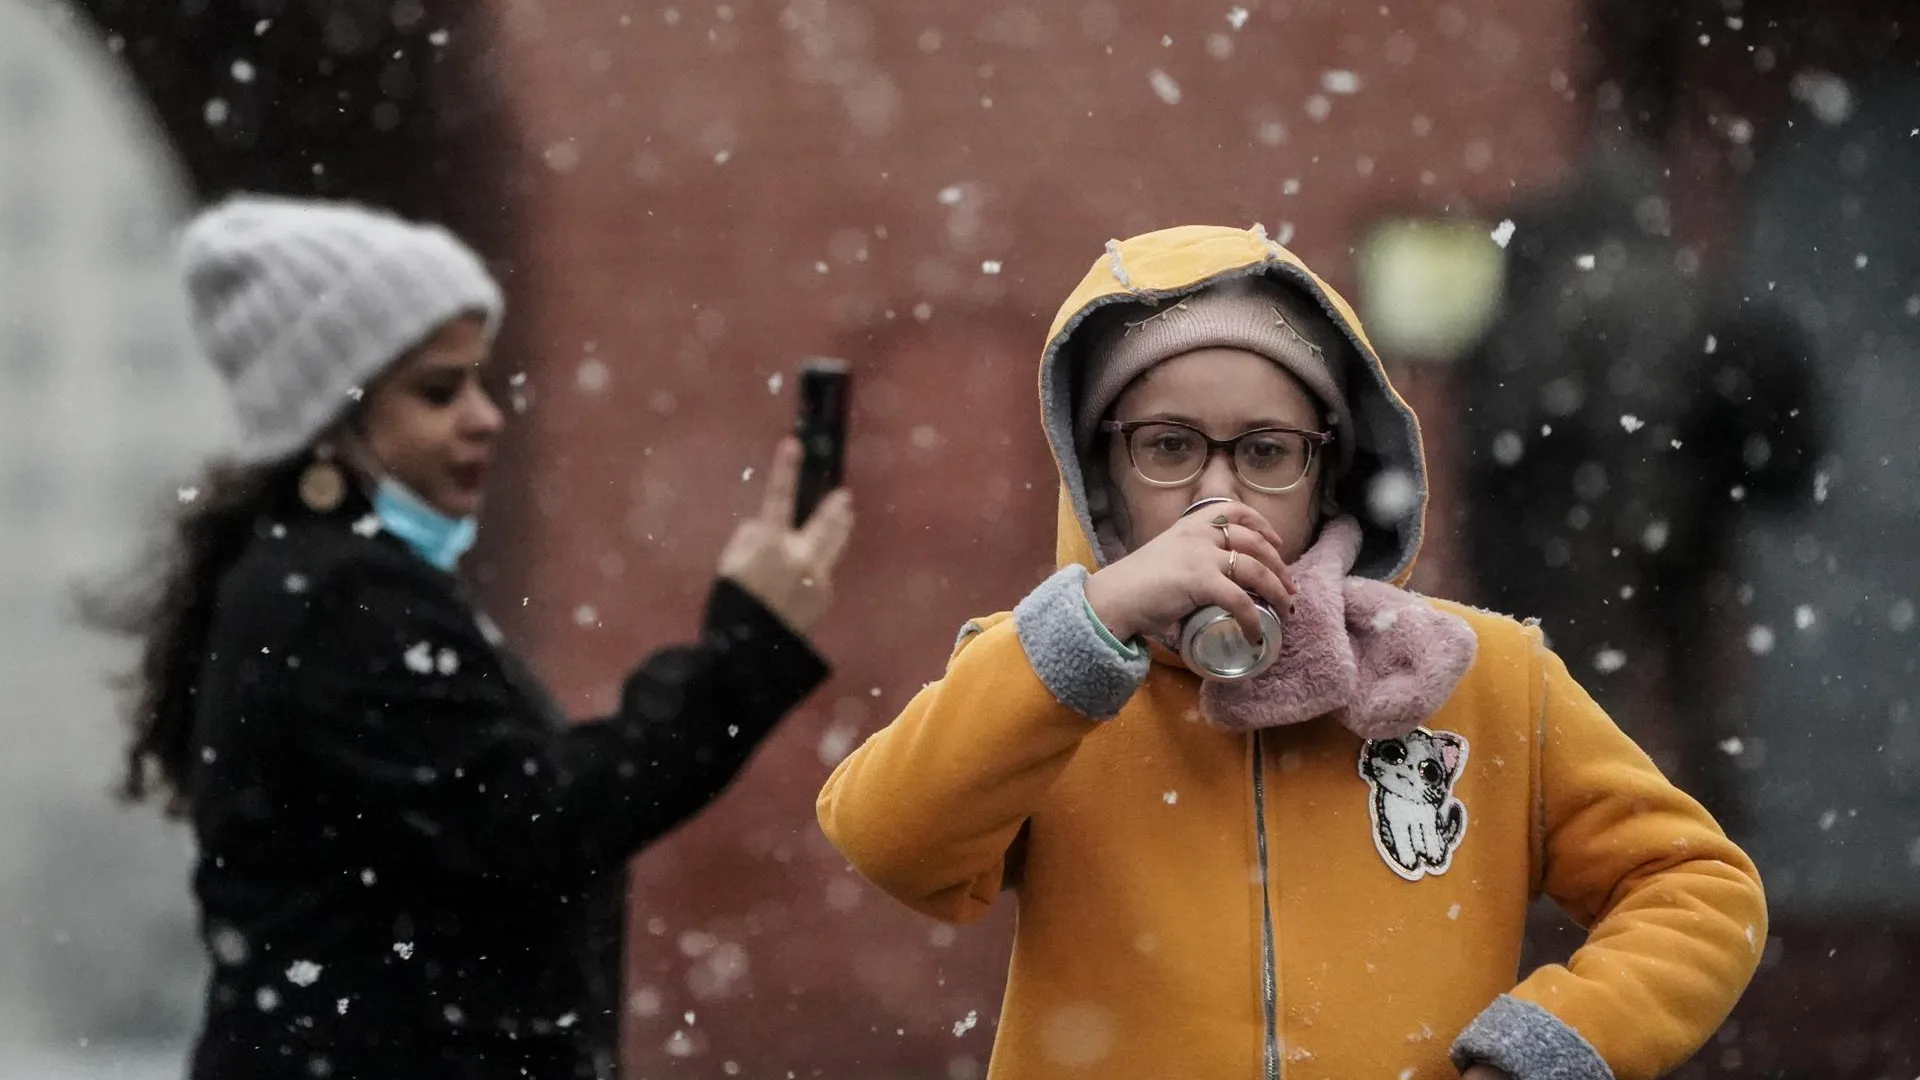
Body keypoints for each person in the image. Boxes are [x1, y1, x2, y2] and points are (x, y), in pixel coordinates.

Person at [817, 224, 1763, 1080]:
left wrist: (1551, 1049)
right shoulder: (1046, 679)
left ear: (1328, 475)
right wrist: (1096, 623)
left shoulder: (1481, 674)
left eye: (1267, 452)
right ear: (1097, 475)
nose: (1215, 491)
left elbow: (1699, 891)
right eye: (1169, 446)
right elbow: (891, 843)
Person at [94, 195, 855, 1080]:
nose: (486, 416)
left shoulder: (312, 587)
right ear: (331, 422)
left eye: (479, 381)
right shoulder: (342, 599)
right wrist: (745, 647)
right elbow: (544, 820)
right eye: (438, 390)